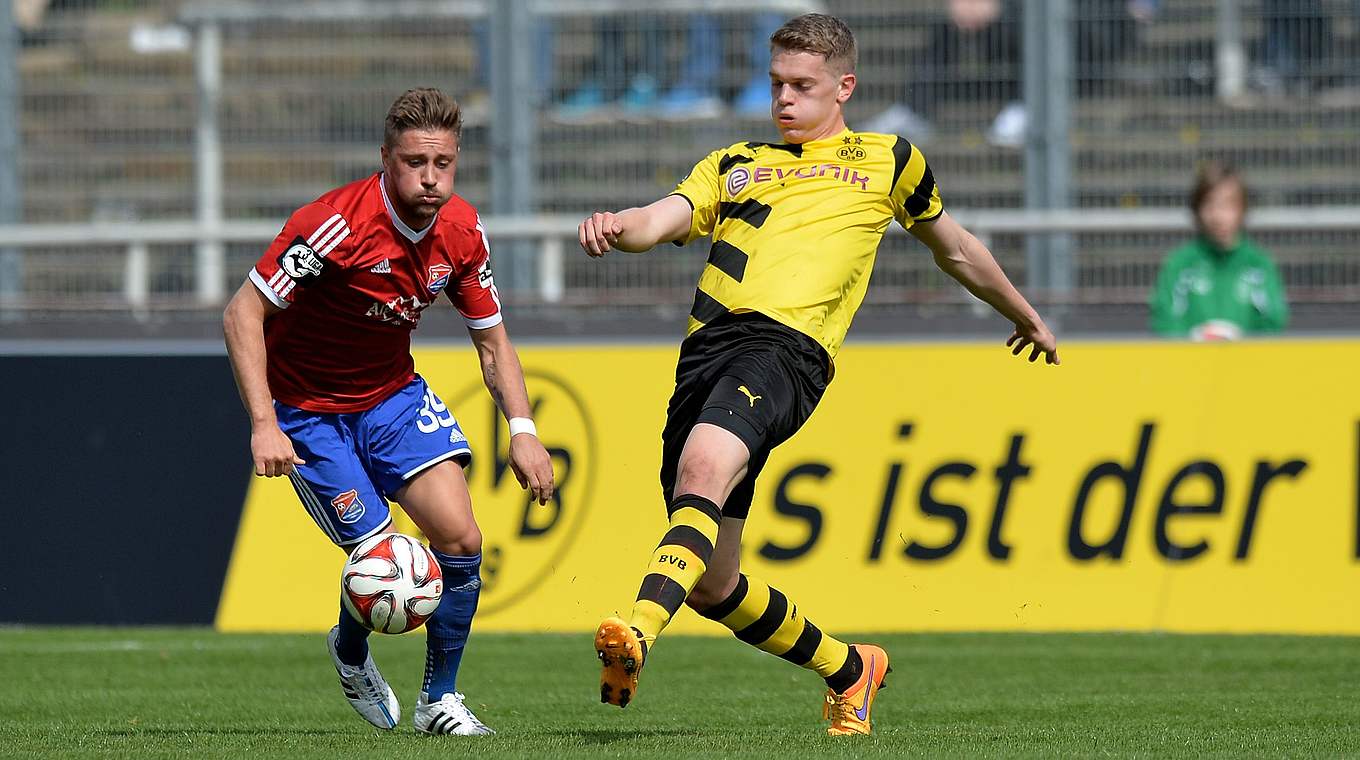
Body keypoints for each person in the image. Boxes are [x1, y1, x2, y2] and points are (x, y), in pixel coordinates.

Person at [576, 13, 1058, 736]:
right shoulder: (734, 161)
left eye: (802, 86)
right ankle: (849, 667)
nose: (785, 100)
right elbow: (662, 218)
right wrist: (620, 224)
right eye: (776, 84)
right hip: (705, 355)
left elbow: (954, 248)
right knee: (713, 583)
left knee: (704, 464)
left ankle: (639, 630)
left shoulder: (888, 158)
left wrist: (1023, 313)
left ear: (844, 87)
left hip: (788, 351)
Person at [222, 88, 555, 736]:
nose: (430, 178)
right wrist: (264, 422)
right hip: (309, 411)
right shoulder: (335, 226)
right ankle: (350, 651)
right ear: (386, 158)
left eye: (443, 163)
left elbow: (492, 341)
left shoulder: (461, 232)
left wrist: (524, 432)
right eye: (414, 162)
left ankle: (440, 703)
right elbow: (243, 313)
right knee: (380, 556)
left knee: (461, 541)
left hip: (391, 398)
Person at [1150, 162, 1288, 340]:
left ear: (1242, 209)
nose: (1218, 215)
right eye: (1210, 205)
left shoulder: (1259, 264)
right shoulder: (1179, 263)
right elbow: (1165, 322)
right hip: (1191, 365)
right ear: (1197, 210)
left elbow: (1273, 322)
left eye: (1228, 205)